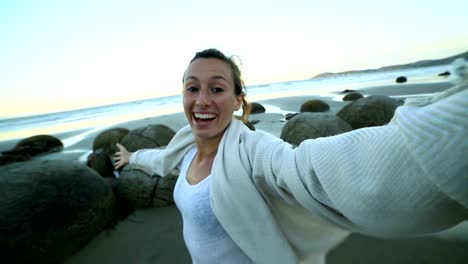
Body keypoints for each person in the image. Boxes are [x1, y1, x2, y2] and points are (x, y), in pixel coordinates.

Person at [114, 48, 468, 264]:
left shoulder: (252, 151)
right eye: (193, 88)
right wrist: (132, 157)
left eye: (217, 88)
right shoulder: (184, 144)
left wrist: (448, 131)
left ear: (238, 100)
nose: (202, 100)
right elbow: (160, 160)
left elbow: (305, 167)